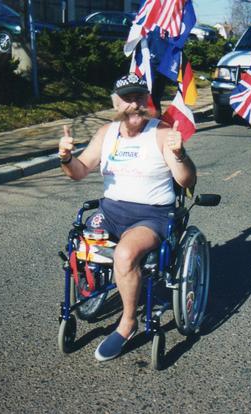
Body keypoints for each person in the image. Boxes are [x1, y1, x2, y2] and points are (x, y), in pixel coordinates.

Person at [58, 73, 196, 362]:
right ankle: (94, 289)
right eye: (128, 99)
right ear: (116, 103)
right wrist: (67, 158)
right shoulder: (106, 134)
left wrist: (180, 154)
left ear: (147, 101)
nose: (134, 104)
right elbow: (80, 171)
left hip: (151, 215)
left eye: (139, 97)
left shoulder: (160, 134)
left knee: (124, 254)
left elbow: (185, 180)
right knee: (79, 243)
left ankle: (128, 323)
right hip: (110, 213)